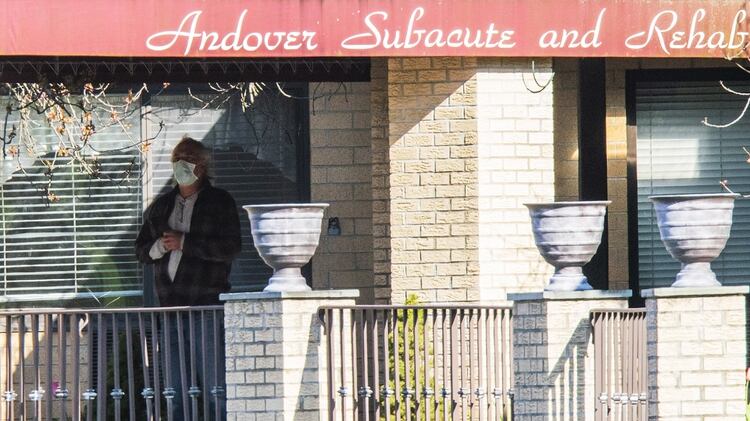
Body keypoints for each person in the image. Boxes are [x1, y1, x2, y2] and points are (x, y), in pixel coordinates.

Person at [136, 136, 240, 420]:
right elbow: (141, 251)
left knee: (215, 385)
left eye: (189, 157)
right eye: (177, 157)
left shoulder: (219, 202)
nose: (182, 163)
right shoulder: (161, 206)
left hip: (205, 306)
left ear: (202, 166)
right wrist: (161, 246)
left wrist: (186, 243)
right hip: (170, 308)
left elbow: (230, 248)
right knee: (174, 390)